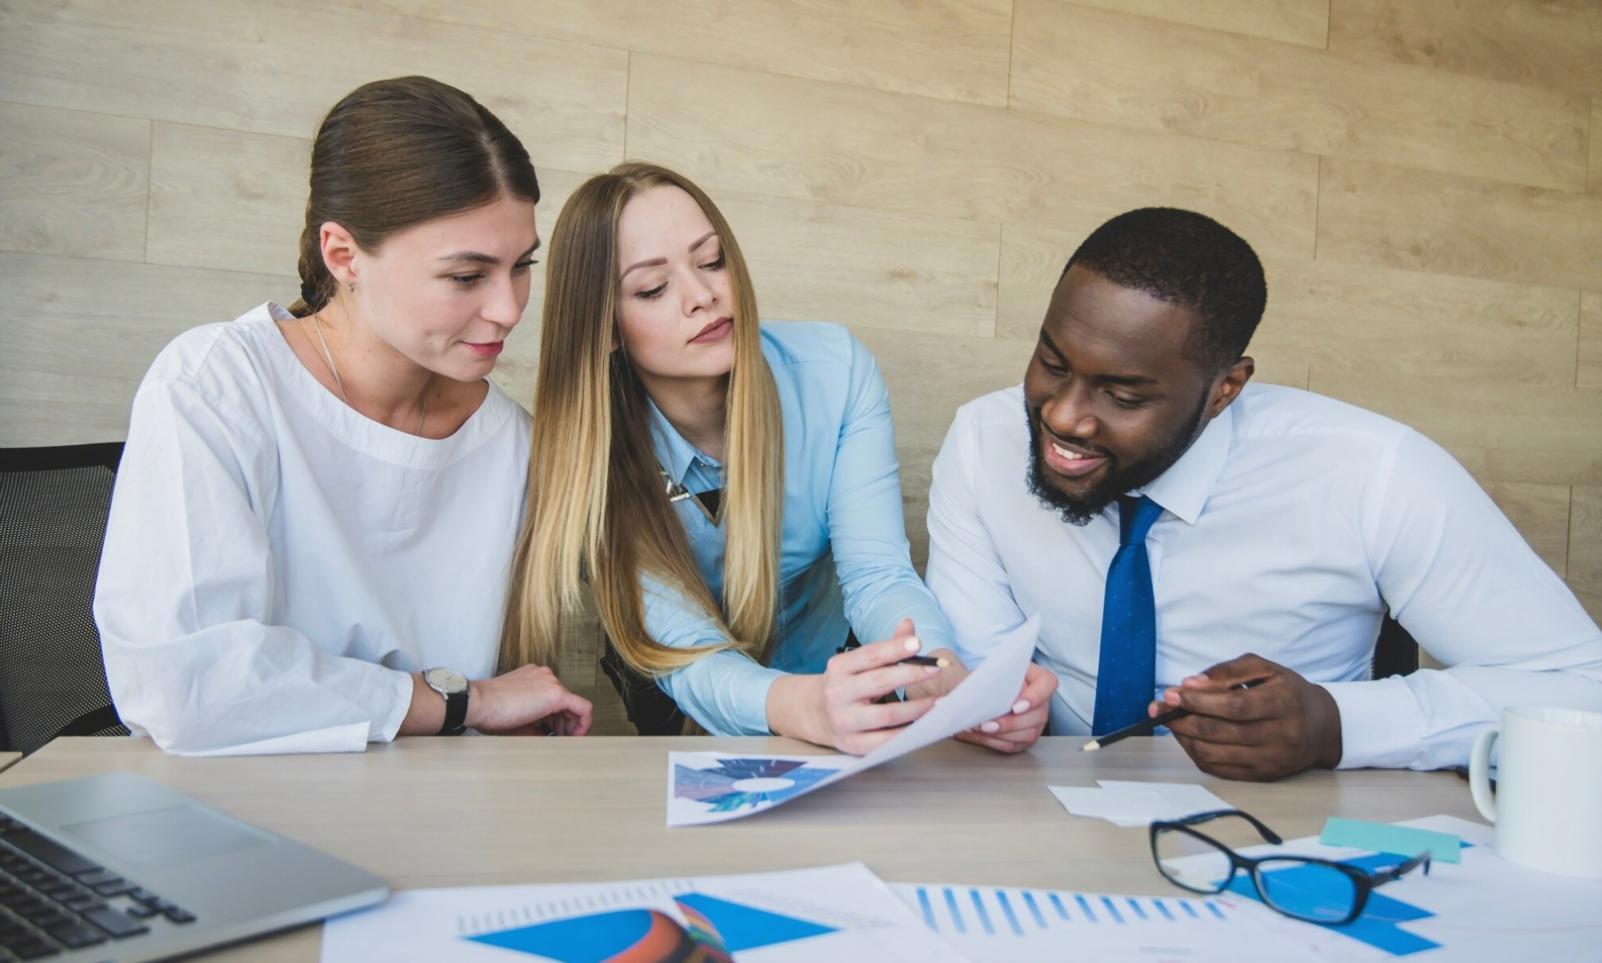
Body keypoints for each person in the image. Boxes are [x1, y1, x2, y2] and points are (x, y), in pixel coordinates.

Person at [924, 206, 1602, 780]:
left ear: (1226, 388)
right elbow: (976, 664)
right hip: (1035, 812)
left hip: (1284, 837)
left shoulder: (1374, 472)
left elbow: (1581, 689)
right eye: (1052, 362)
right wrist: (989, 705)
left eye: (1123, 394)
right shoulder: (986, 439)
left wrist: (1337, 724)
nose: (1064, 416)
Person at [94, 76, 593, 755]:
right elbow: (189, 688)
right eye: (467, 276)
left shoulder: (511, 444)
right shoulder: (216, 384)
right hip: (236, 817)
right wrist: (462, 700)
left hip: (443, 818)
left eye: (521, 267)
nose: (508, 308)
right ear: (343, 254)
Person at [499, 162, 1055, 753]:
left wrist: (941, 679)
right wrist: (798, 706)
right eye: (653, 289)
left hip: (824, 667)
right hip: (681, 686)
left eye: (712, 260)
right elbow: (683, 651)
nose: (704, 296)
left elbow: (877, 574)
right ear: (603, 326)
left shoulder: (837, 372)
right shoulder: (591, 450)